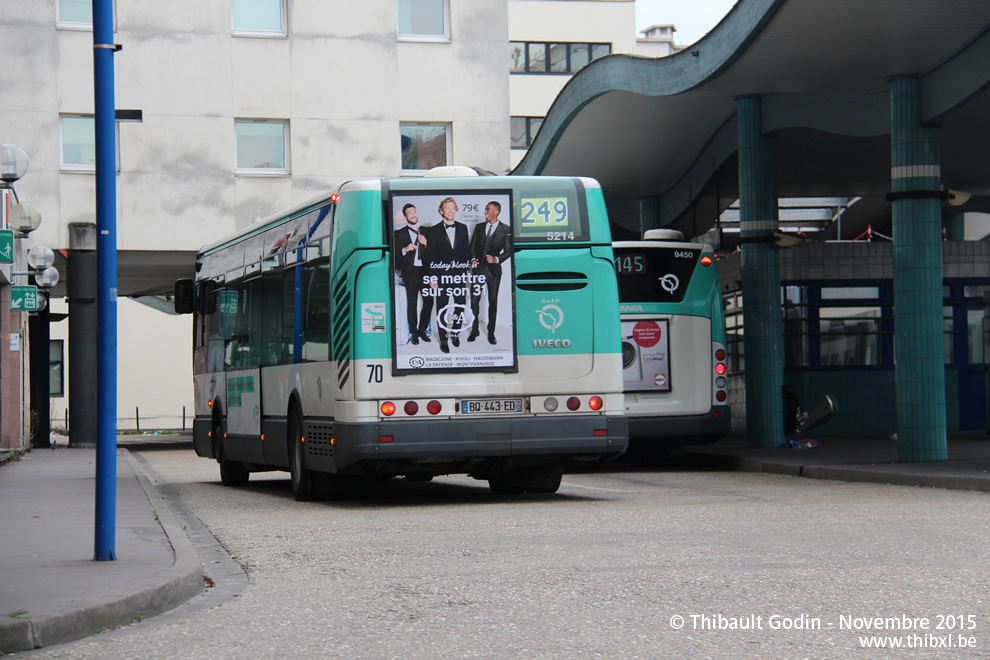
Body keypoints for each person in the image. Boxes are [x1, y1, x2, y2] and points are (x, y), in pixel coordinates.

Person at [424, 196, 471, 353]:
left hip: (458, 275)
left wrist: (467, 267)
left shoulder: (463, 228)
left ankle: (455, 333)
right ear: (441, 211)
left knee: (460, 305)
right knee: (441, 308)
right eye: (446, 208)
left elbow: (466, 251)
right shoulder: (434, 230)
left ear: (456, 210)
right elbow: (429, 256)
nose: (450, 211)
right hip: (441, 276)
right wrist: (432, 276)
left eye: (452, 208)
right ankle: (443, 339)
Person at [468, 201, 511, 344]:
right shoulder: (479, 227)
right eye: (485, 210)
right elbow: (473, 245)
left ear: (496, 212)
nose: (485, 212)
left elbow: (509, 251)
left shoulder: (505, 229)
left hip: (494, 272)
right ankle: (474, 329)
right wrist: (473, 258)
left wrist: (497, 259)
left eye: (488, 210)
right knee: (474, 300)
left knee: (493, 302)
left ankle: (491, 332)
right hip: (478, 269)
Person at [393, 203, 432, 345]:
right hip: (411, 272)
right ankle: (414, 332)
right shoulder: (399, 234)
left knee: (429, 301)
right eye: (409, 213)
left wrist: (426, 243)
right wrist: (405, 249)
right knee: (413, 303)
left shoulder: (427, 231)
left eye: (414, 212)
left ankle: (422, 330)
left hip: (426, 271)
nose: (413, 215)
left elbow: (437, 251)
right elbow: (395, 256)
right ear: (405, 217)